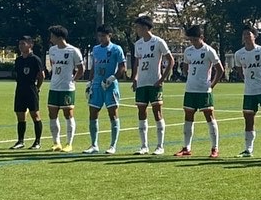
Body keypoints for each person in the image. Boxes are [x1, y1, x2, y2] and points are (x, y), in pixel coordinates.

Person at [174, 25, 224, 158]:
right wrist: (190, 77)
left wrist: (212, 85)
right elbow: (185, 67)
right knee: (188, 117)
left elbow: (220, 69)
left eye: (195, 39)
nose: (193, 42)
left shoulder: (209, 51)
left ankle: (214, 148)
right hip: (190, 89)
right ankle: (186, 147)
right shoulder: (188, 51)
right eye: (191, 40)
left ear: (201, 37)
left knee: (209, 117)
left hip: (204, 90)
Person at [130, 16, 174, 155]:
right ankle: (144, 146)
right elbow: (137, 62)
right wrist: (135, 78)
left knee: (157, 112)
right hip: (142, 83)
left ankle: (160, 146)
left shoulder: (158, 42)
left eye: (138, 27)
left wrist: (162, 79)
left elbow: (171, 60)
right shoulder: (138, 44)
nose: (136, 30)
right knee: (141, 112)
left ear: (145, 27)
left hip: (154, 83)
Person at [234, 25, 261, 158]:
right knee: (248, 120)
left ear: (254, 36)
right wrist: (247, 81)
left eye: (249, 34)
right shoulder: (239, 54)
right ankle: (248, 150)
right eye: (244, 34)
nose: (246, 37)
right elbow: (239, 71)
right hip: (249, 91)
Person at [83, 25, 126, 155]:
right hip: (97, 86)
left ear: (109, 36)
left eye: (103, 36)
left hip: (110, 86)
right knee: (93, 113)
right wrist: (89, 82)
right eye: (99, 36)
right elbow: (94, 67)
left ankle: (113, 145)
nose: (100, 38)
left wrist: (111, 79)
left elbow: (122, 67)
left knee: (112, 114)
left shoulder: (116, 49)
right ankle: (94, 145)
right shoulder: (95, 49)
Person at [47, 25, 84, 152]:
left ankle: (69, 143)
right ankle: (56, 143)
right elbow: (53, 65)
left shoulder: (73, 51)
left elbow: (81, 69)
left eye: (52, 36)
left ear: (59, 37)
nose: (50, 38)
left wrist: (73, 80)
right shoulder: (52, 50)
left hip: (67, 88)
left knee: (68, 114)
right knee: (52, 113)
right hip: (54, 87)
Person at [10, 36, 45, 150]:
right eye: (20, 43)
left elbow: (41, 75)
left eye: (23, 43)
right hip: (20, 89)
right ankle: (20, 141)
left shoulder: (35, 59)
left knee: (35, 115)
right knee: (20, 116)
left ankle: (37, 142)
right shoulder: (18, 60)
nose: (20, 46)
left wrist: (37, 88)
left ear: (30, 45)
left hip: (31, 89)